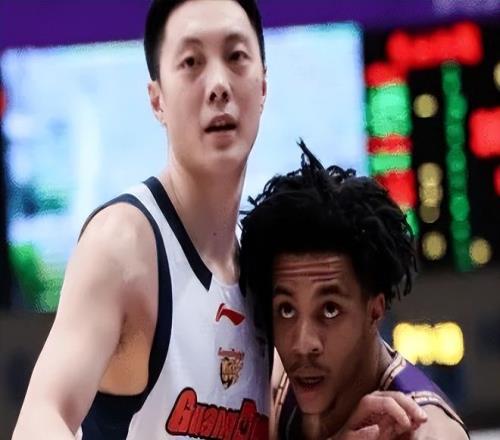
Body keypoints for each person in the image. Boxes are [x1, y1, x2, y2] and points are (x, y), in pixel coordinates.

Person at [12, 1, 269, 439]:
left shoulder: (266, 266)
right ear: (157, 100)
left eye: (236, 56)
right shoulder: (122, 243)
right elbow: (41, 417)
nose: (218, 85)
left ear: (263, 86)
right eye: (191, 62)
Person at [239, 140, 469, 439]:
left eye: (329, 310)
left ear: (375, 310)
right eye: (287, 310)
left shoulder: (428, 433)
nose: (303, 344)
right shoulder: (270, 379)